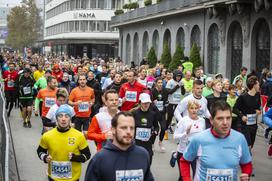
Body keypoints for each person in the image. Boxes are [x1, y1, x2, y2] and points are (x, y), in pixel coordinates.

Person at [180, 101, 252, 181]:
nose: (225, 123)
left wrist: (246, 174)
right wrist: (187, 179)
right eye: (220, 118)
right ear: (211, 120)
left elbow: (246, 164)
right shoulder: (198, 139)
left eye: (228, 118)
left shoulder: (240, 139)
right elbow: (184, 161)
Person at [84, 111, 154, 181]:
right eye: (124, 128)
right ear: (113, 130)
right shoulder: (99, 159)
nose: (129, 132)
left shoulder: (143, 154)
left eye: (132, 128)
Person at [37, 104, 91, 181]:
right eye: (60, 116)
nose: (63, 119)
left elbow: (87, 154)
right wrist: (44, 157)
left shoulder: (79, 135)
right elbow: (40, 151)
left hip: (73, 178)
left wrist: (76, 158)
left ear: (70, 119)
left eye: (66, 116)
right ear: (56, 119)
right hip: (53, 178)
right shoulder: (47, 136)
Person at [174, 101, 206, 181]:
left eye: (196, 108)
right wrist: (186, 133)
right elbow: (175, 137)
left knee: (197, 175)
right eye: (191, 108)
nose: (194, 110)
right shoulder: (183, 121)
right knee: (183, 177)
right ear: (188, 109)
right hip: (183, 152)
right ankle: (175, 155)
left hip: (196, 153)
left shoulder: (202, 121)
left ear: (198, 109)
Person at [233, 76, 261, 153]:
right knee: (248, 145)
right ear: (254, 85)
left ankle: (242, 154)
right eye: (258, 84)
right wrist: (242, 116)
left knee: (251, 145)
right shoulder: (243, 97)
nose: (259, 86)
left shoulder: (258, 95)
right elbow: (234, 109)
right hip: (244, 124)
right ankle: (245, 161)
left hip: (253, 124)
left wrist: (258, 111)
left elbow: (258, 107)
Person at [132, 93, 159, 164]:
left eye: (148, 103)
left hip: (148, 143)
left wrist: (156, 131)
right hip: (136, 143)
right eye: (144, 103)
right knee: (136, 163)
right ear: (140, 103)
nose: (146, 105)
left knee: (148, 162)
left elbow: (156, 126)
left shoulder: (152, 114)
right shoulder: (134, 113)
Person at [151, 77, 168, 151]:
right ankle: (152, 144)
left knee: (163, 128)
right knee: (155, 129)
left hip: (162, 112)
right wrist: (153, 103)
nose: (160, 84)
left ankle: (160, 142)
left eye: (161, 83)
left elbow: (166, 101)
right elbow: (149, 102)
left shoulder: (165, 91)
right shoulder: (152, 91)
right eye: (159, 83)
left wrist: (166, 104)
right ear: (155, 83)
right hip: (154, 113)